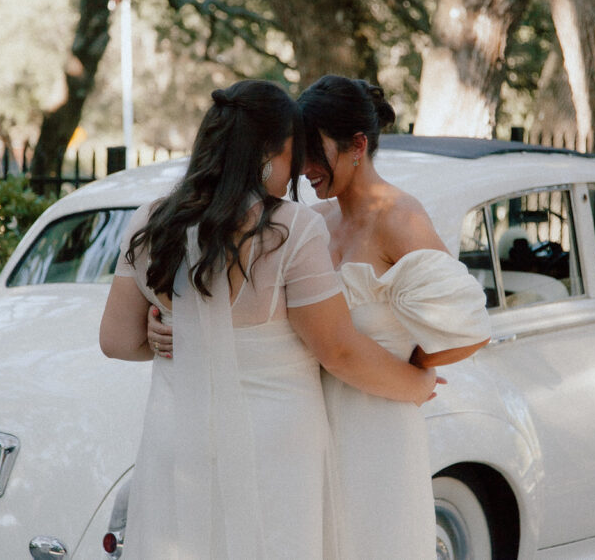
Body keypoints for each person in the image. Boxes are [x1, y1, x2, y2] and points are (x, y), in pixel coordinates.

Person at [100, 79, 437, 560]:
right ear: (266, 153)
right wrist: (415, 384)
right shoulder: (291, 229)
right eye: (290, 156)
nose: (295, 173)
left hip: (179, 440)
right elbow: (338, 350)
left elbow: (115, 340)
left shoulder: (151, 220)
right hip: (273, 450)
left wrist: (162, 335)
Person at [296, 75, 492, 560]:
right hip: (306, 430)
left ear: (357, 145)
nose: (304, 169)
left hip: (377, 432)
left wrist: (415, 367)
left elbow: (468, 325)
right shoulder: (316, 222)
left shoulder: (399, 218)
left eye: (313, 152)